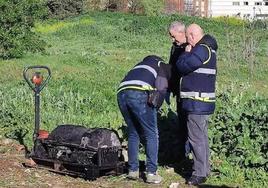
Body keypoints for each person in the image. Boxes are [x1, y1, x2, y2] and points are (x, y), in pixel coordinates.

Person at [117, 55, 171, 184]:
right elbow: (161, 88)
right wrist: (155, 108)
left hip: (121, 92)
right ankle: (151, 173)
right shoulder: (160, 65)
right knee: (151, 133)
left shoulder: (139, 66)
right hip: (139, 92)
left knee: (133, 132)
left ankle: (133, 171)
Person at [176, 24, 218, 186]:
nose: (187, 41)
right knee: (202, 138)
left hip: (197, 103)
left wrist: (185, 54)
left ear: (192, 35)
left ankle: (199, 173)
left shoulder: (201, 49)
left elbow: (183, 66)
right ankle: (204, 169)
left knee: (196, 139)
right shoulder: (209, 50)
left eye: (187, 37)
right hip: (202, 102)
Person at [167, 21, 190, 161]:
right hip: (178, 91)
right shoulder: (175, 47)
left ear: (182, 33)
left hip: (188, 91)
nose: (172, 39)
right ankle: (182, 154)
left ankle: (187, 154)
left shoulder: (190, 47)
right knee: (181, 123)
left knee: (189, 124)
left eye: (173, 36)